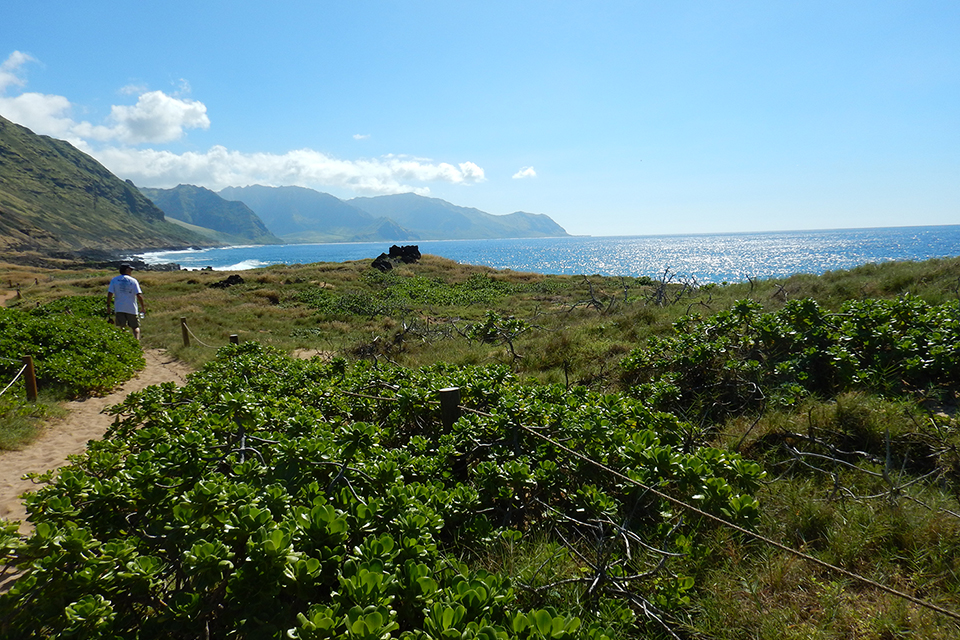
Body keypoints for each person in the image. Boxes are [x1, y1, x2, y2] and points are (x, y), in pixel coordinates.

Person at [107, 264, 146, 340]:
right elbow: (139, 295)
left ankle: (126, 342)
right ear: (127, 270)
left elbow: (110, 293)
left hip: (119, 307)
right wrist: (142, 307)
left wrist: (108, 306)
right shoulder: (133, 280)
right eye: (130, 270)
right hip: (131, 307)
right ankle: (136, 341)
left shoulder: (114, 280)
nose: (131, 271)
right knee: (135, 327)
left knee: (122, 327)